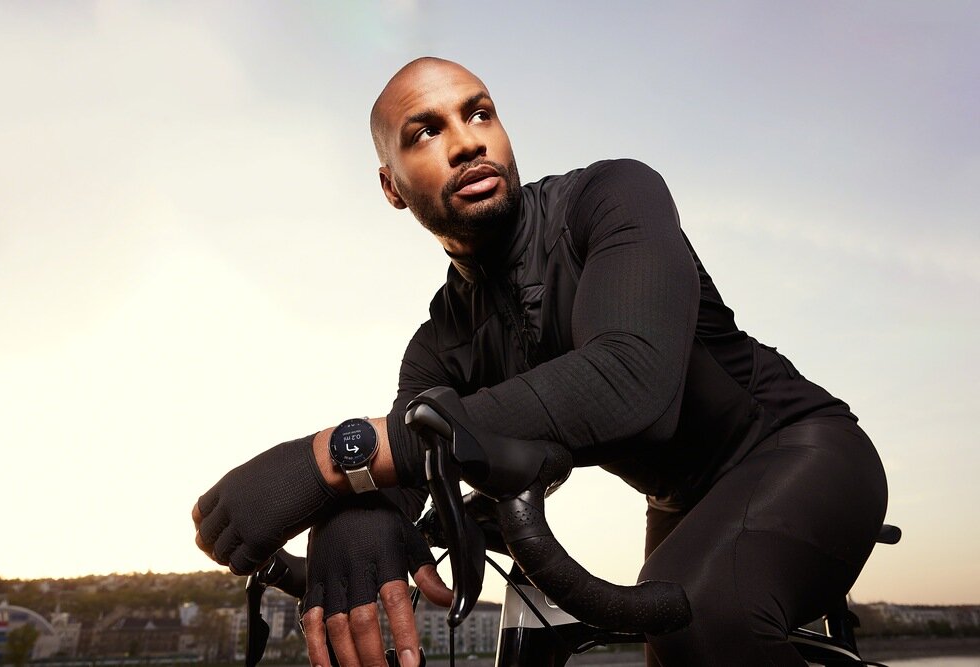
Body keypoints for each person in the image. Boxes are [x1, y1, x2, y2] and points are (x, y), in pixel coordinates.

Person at [192, 57, 888, 667]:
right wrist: (355, 524)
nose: (467, 141)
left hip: (798, 449)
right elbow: (407, 462)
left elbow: (631, 379)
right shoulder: (438, 342)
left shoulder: (610, 197)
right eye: (426, 131)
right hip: (677, 502)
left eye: (479, 114)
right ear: (392, 186)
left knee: (700, 617)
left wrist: (325, 456)